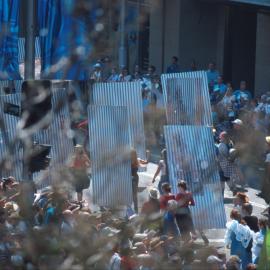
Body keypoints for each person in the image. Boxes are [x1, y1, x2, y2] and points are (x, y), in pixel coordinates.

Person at [131, 148, 149, 213]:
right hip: (135, 177)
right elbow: (146, 162)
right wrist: (148, 155)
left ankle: (130, 210)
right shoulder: (137, 160)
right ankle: (136, 211)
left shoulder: (128, 161)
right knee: (134, 194)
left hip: (130, 178)